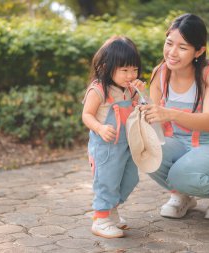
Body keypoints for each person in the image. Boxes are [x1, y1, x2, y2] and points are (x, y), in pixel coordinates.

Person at [140, 13, 209, 220]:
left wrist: (169, 113)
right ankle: (182, 195)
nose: (172, 53)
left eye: (183, 47)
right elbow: (156, 121)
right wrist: (139, 104)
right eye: (169, 43)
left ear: (199, 50)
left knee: (179, 175)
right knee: (146, 153)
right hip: (180, 143)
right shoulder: (160, 73)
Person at [82, 35, 145, 238]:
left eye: (134, 69)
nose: (130, 74)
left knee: (130, 178)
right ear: (107, 67)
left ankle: (111, 210)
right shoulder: (99, 89)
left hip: (127, 145)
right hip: (106, 147)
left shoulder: (130, 89)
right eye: (124, 70)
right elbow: (87, 115)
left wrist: (141, 95)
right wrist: (99, 128)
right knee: (107, 181)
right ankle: (101, 219)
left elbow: (140, 110)